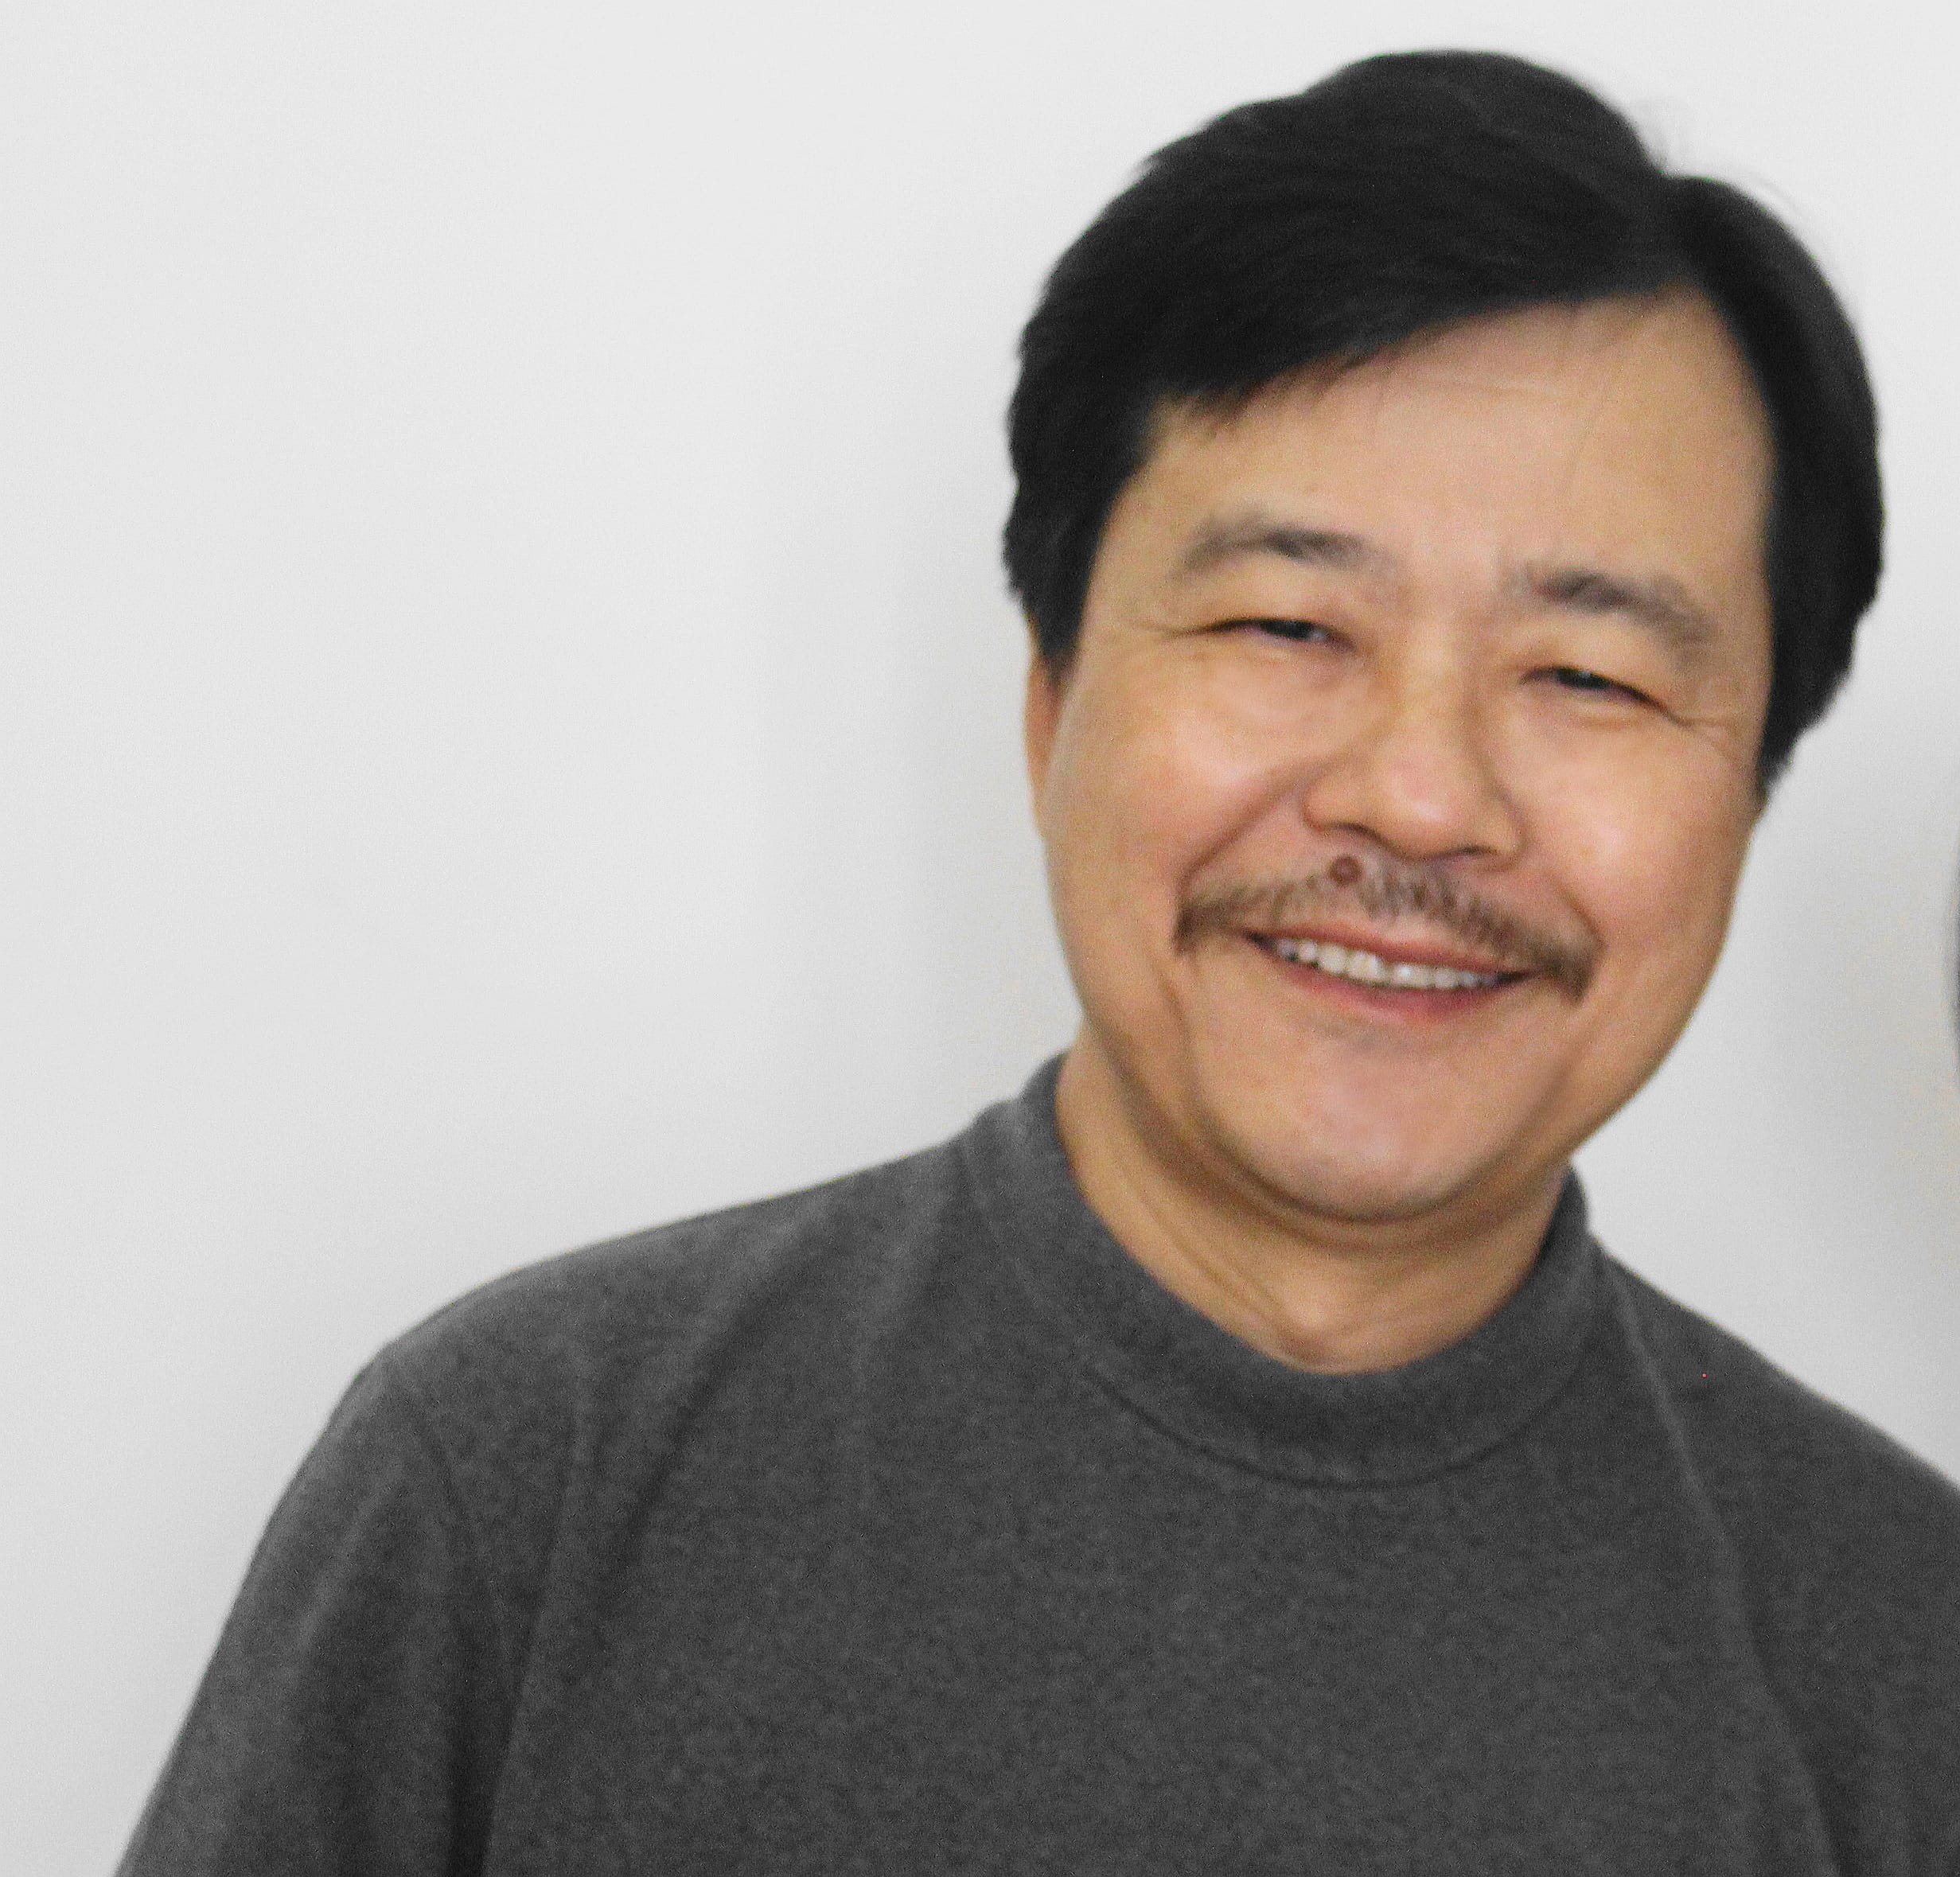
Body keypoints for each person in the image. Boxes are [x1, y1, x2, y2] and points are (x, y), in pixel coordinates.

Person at [119, 49, 1960, 1876]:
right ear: (1047, 703)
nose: (1416, 796)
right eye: (1285, 623)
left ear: (1743, 789)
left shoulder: (1902, 1657)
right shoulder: (527, 1474)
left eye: (1585, 674)